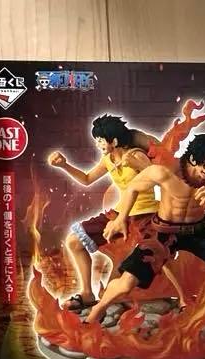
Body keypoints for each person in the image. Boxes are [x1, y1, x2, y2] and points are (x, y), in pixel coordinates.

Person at [88, 133, 205, 322]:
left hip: (199, 231)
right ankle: (97, 311)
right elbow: (133, 187)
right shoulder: (166, 169)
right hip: (163, 231)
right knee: (127, 283)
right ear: (192, 159)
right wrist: (121, 218)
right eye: (204, 165)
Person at [47, 114, 181, 313]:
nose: (97, 144)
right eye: (97, 140)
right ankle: (87, 294)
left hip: (146, 214)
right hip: (119, 213)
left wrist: (142, 166)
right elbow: (87, 179)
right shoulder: (108, 159)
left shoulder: (136, 155)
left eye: (100, 140)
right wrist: (64, 165)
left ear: (115, 141)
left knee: (159, 255)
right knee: (74, 241)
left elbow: (160, 177)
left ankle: (183, 297)